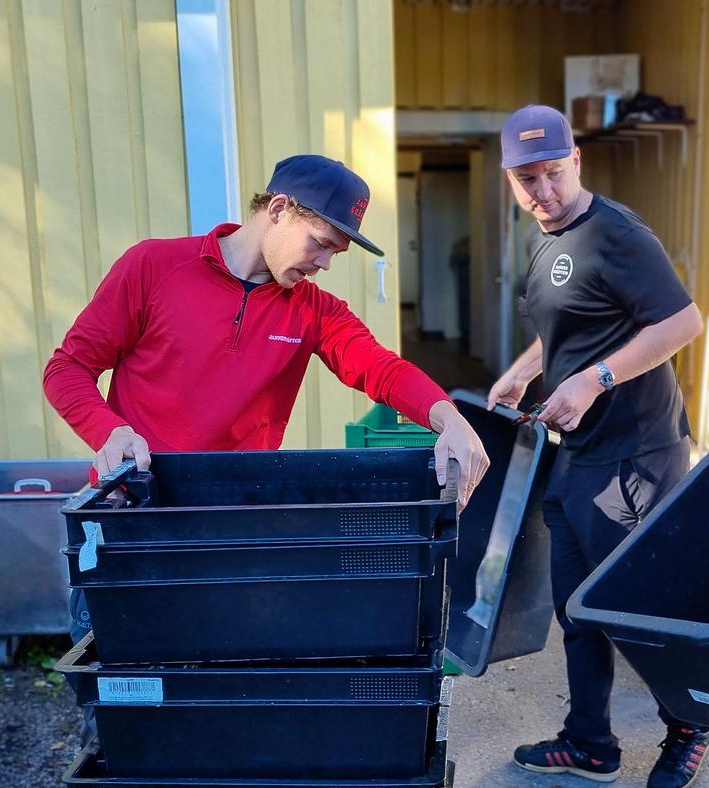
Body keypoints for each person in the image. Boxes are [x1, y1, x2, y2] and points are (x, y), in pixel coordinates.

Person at [44, 154, 491, 650]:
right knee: (124, 698)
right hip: (131, 521)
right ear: (279, 209)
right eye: (320, 244)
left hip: (234, 528)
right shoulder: (153, 267)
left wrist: (448, 417)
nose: (323, 264)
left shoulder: (314, 310)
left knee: (229, 696)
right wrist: (109, 431)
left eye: (335, 254)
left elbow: (380, 367)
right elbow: (67, 368)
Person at [486, 105, 709, 788]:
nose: (543, 191)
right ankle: (590, 745)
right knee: (578, 611)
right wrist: (528, 368)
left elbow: (683, 321)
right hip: (577, 453)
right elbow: (572, 324)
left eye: (553, 173)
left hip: (635, 458)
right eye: (527, 179)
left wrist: (595, 377)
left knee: (640, 612)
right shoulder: (542, 239)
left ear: (576, 160)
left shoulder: (616, 232)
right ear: (509, 178)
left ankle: (691, 726)